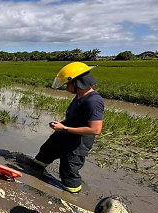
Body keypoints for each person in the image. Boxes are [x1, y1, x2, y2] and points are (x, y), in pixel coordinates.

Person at [33, 62, 104, 193]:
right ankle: (34, 172)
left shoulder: (94, 101)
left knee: (68, 170)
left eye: (67, 84)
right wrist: (61, 124)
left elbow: (95, 130)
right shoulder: (80, 96)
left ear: (77, 83)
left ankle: (72, 195)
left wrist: (64, 128)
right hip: (64, 135)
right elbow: (74, 117)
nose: (66, 88)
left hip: (77, 144)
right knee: (45, 152)